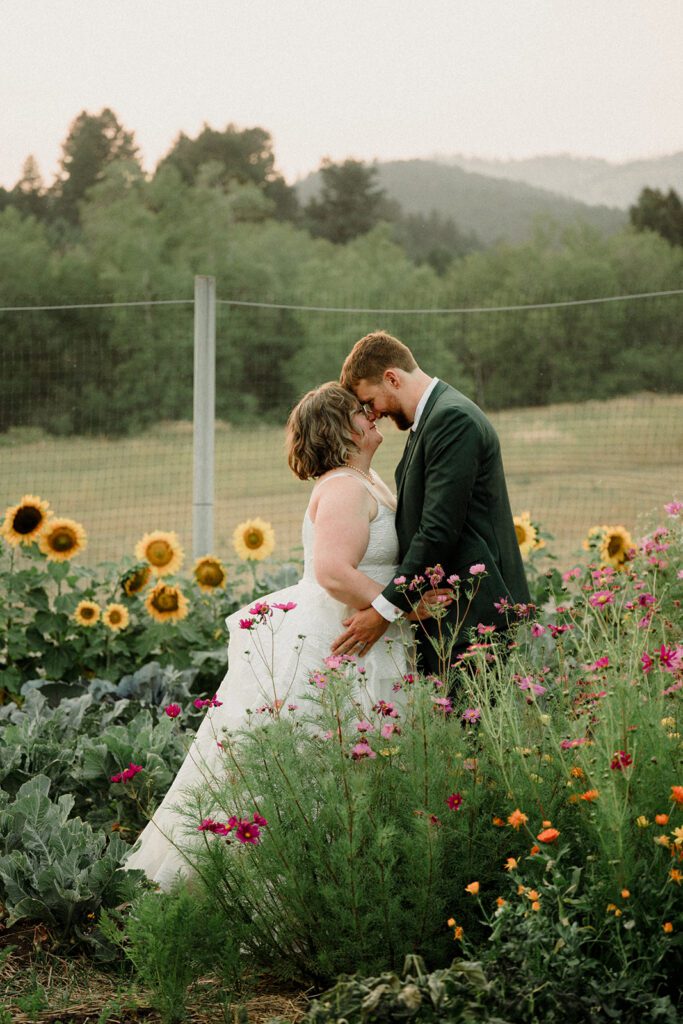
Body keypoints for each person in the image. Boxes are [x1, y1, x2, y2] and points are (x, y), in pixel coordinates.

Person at [124, 382, 439, 890]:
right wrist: (406, 609)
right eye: (362, 413)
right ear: (339, 429)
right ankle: (286, 890)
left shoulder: (367, 480)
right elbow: (334, 572)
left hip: (367, 633)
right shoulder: (342, 487)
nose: (372, 417)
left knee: (359, 768)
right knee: (319, 766)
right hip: (338, 639)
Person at [333, 330, 530, 676]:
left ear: (391, 378)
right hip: (450, 614)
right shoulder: (431, 421)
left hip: (473, 614)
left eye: (370, 401)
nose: (372, 414)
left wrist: (384, 611)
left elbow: (438, 530)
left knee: (469, 729)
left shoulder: (451, 419)